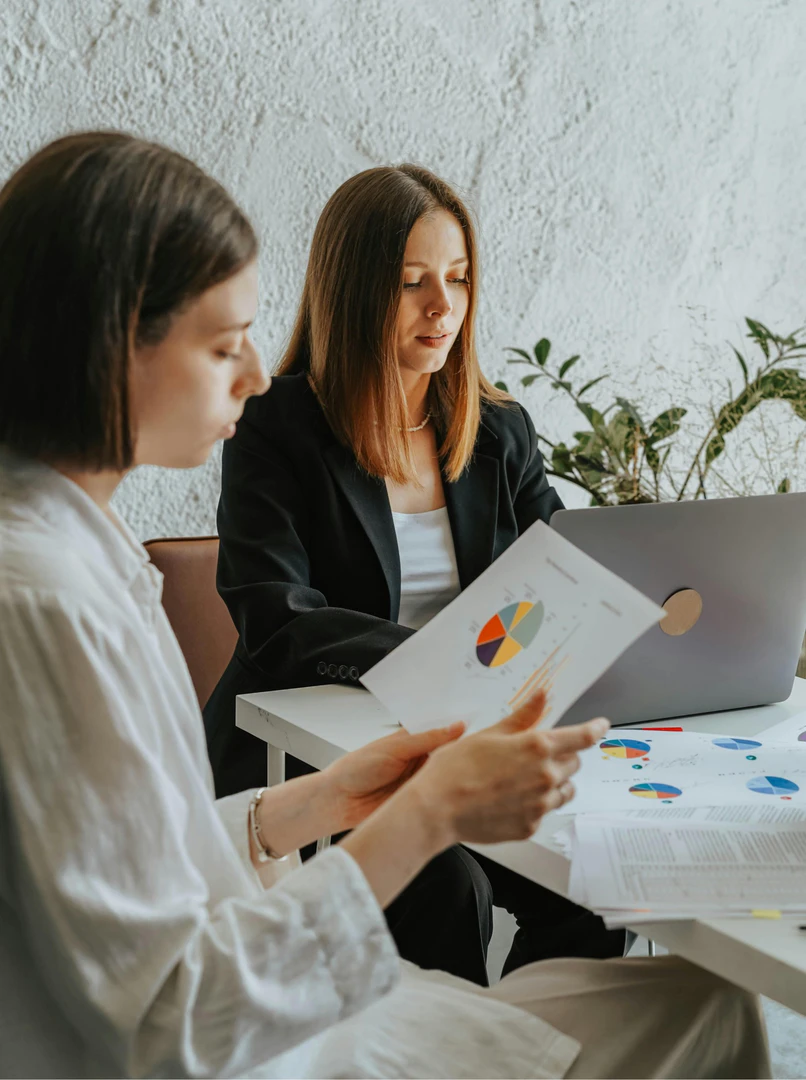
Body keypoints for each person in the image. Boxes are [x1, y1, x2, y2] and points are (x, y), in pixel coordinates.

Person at [0, 132, 770, 1080]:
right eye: (221, 341)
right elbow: (172, 1023)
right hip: (253, 1039)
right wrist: (426, 811)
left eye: (457, 278)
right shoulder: (47, 605)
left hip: (272, 923)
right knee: (705, 1018)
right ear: (108, 341)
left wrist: (313, 801)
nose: (249, 375)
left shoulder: (84, 560)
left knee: (703, 998)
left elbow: (148, 867)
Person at [204, 164, 622, 983]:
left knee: (592, 882)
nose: (445, 306)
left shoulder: (499, 431)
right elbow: (277, 616)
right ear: (355, 289)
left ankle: (537, 1055)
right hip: (311, 763)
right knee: (446, 887)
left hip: (467, 735)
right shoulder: (275, 425)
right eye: (412, 282)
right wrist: (449, 663)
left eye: (459, 279)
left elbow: (573, 571)